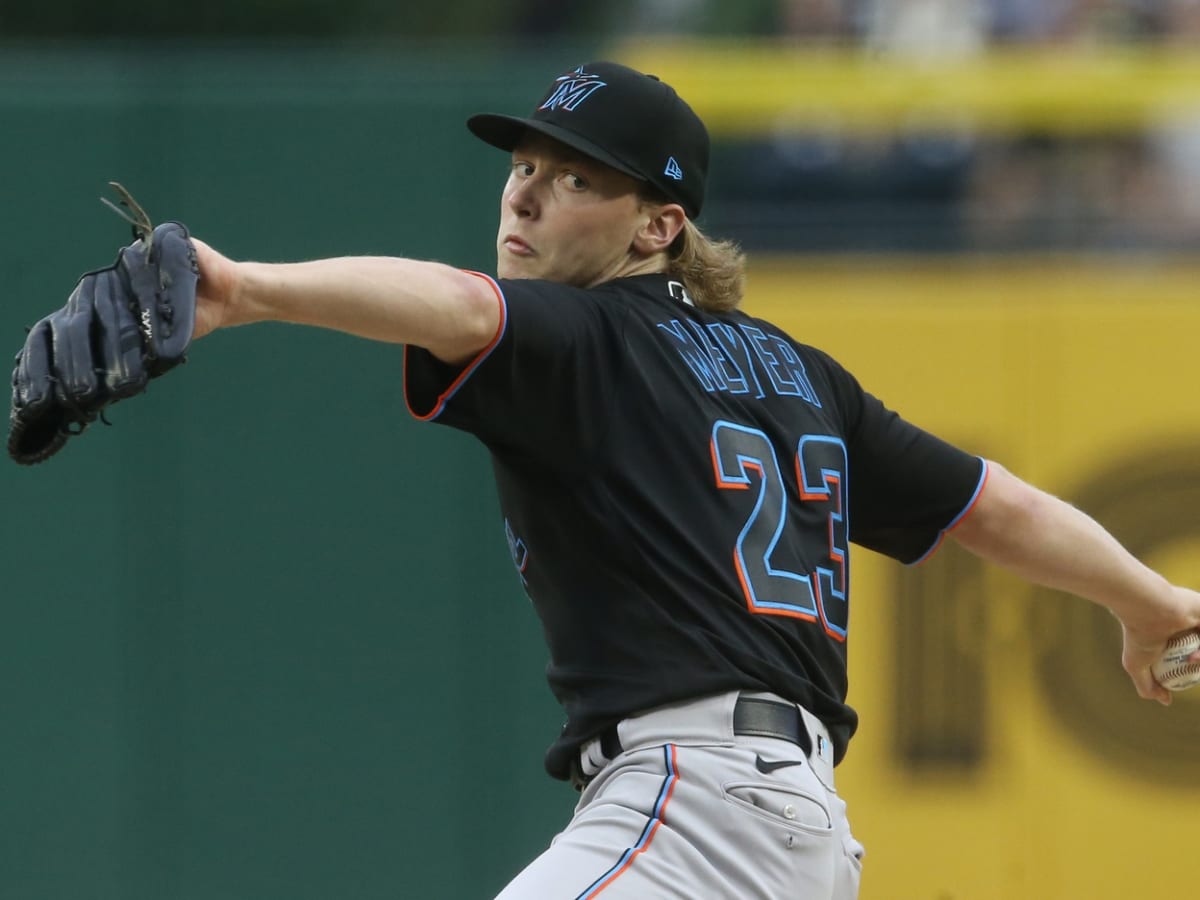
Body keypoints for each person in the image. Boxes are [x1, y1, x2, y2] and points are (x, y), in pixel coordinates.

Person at [187, 61, 1200, 899]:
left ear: (658, 227)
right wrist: (1149, 600)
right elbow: (995, 506)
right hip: (797, 832)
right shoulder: (804, 376)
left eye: (578, 179)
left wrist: (244, 289)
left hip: (692, 808)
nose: (527, 193)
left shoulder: (589, 331)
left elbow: (462, 307)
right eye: (525, 165)